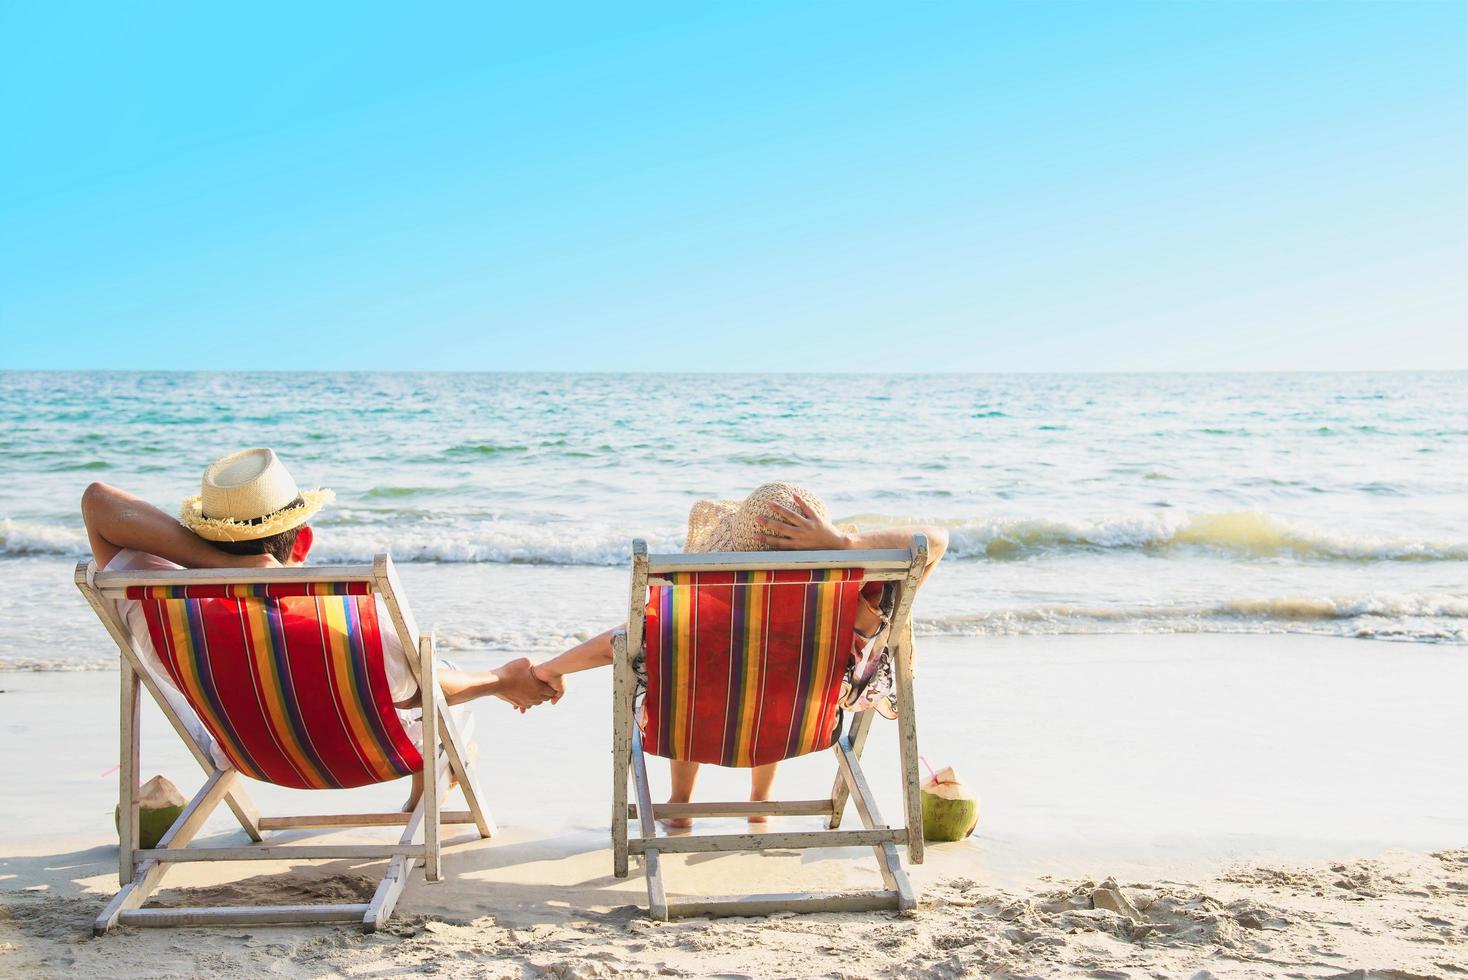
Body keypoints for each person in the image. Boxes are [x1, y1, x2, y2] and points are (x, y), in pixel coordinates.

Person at [81, 448, 559, 796]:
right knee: (439, 672)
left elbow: (99, 500)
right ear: (303, 540)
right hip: (367, 759)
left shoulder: (155, 606)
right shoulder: (343, 626)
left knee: (426, 676)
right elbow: (424, 691)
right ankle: (422, 802)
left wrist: (220, 567)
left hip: (250, 756)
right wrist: (500, 679)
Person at [529, 482, 948, 828]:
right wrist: (843, 544)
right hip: (799, 719)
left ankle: (679, 806)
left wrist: (551, 668)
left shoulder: (697, 613)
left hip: (697, 714)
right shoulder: (849, 606)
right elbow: (936, 540)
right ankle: (760, 803)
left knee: (684, 671)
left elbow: (618, 641)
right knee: (783, 674)